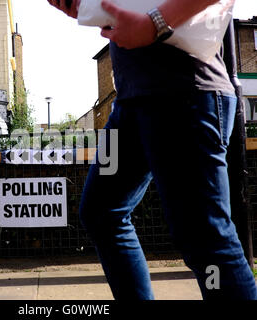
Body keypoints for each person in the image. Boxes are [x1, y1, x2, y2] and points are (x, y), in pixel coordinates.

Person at [47, 0, 257, 300]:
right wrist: (84, 7)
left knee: (205, 238)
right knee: (101, 211)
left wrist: (155, 22)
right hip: (130, 105)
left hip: (185, 96)